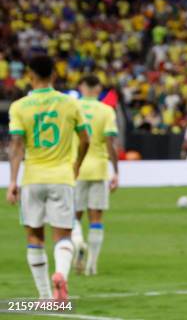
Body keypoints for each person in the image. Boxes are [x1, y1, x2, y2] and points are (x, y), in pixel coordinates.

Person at [6, 55, 90, 301]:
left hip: (32, 178)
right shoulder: (70, 103)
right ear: (54, 75)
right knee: (63, 236)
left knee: (34, 237)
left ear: (29, 75)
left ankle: (44, 296)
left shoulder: (19, 107)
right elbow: (85, 139)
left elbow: (17, 146)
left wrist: (13, 181)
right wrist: (76, 165)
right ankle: (61, 275)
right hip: (62, 177)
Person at [71, 75, 119, 276]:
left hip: (76, 167)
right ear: (98, 88)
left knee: (73, 215)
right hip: (99, 167)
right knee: (96, 218)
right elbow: (110, 144)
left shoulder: (73, 106)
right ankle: (92, 264)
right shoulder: (106, 110)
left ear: (81, 86)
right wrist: (116, 171)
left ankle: (79, 243)